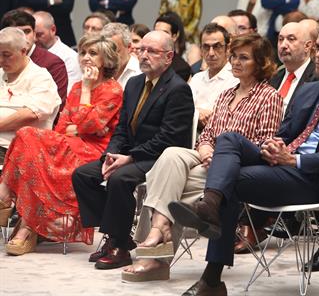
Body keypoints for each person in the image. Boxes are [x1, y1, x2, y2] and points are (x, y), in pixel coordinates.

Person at [169, 21, 319, 295]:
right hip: (282, 163)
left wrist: (294, 160)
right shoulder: (310, 90)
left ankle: (211, 275)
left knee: (231, 180)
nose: (318, 54)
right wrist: (273, 145)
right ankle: (210, 204)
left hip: (315, 178)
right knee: (228, 138)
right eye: (317, 47)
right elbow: (284, 133)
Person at [122, 33, 283, 282]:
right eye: (234, 57)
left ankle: (155, 252)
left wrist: (221, 155)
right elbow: (207, 135)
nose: (236, 62)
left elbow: (263, 145)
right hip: (207, 159)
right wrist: (206, 148)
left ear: (260, 63)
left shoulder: (269, 97)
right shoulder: (226, 95)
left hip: (234, 168)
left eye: (244, 58)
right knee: (171, 155)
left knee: (166, 183)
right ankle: (158, 231)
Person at [72, 30, 194, 270]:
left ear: (169, 57)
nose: (144, 55)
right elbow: (121, 128)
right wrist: (111, 154)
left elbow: (169, 138)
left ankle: (118, 246)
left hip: (160, 158)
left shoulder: (177, 89)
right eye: (141, 50)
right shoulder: (135, 83)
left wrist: (129, 158)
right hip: (130, 153)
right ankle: (119, 236)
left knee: (120, 179)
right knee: (83, 175)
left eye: (152, 51)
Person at [0, 34, 123, 256]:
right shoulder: (75, 87)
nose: (86, 58)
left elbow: (88, 124)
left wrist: (86, 91)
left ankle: (7, 201)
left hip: (95, 152)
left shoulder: (112, 89)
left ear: (106, 59)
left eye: (93, 53)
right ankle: (25, 225)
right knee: (27, 138)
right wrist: (79, 126)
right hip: (69, 143)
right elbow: (63, 126)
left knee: (27, 135)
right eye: (83, 52)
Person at [234, 19, 319, 254]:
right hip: (265, 140)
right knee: (231, 144)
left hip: (293, 151)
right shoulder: (275, 77)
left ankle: (250, 224)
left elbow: (308, 126)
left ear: (309, 46)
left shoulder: (317, 79)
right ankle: (236, 221)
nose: (283, 45)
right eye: (281, 39)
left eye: (291, 39)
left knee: (238, 158)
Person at [0, 27, 60, 166]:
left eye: (6, 55)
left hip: (16, 148)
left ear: (23, 51)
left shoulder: (40, 77)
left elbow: (31, 114)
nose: (1, 60)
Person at [1, 9, 68, 111]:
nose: (23, 37)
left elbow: (57, 109)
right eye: (16, 33)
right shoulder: (1, 61)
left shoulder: (52, 63)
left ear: (35, 35)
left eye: (27, 31)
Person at [188, 23, 239, 130]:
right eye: (206, 47)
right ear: (201, 50)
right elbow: (182, 109)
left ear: (228, 49)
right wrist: (198, 113)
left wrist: (194, 111)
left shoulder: (236, 79)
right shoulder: (197, 78)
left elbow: (223, 117)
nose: (211, 53)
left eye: (217, 46)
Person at [33, 11, 82, 93]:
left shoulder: (70, 58)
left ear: (53, 30)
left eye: (39, 35)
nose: (34, 39)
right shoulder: (27, 54)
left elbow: (70, 95)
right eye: (33, 34)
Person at [100, 22, 141, 88]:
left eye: (115, 51)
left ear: (129, 47)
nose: (109, 56)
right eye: (106, 51)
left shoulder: (140, 72)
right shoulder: (97, 71)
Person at [153, 13, 192, 82]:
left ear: (174, 37)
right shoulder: (145, 58)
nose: (159, 36)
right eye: (156, 32)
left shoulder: (181, 68)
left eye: (164, 33)